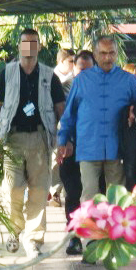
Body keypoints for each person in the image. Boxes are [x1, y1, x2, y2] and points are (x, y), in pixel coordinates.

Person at [0, 28, 66, 258]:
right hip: (12, 139)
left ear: (39, 46)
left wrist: (63, 139)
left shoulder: (49, 75)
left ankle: (33, 240)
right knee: (12, 189)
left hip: (40, 139)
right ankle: (14, 231)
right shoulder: (8, 73)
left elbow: (61, 110)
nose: (30, 46)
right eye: (25, 42)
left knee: (39, 191)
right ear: (20, 46)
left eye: (34, 42)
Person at [57, 36, 136, 203]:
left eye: (111, 53)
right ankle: (91, 229)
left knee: (117, 199)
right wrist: (63, 140)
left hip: (117, 148)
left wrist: (135, 113)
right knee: (89, 198)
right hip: (88, 147)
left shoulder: (129, 80)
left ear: (117, 54)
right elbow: (69, 114)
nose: (107, 58)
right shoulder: (81, 80)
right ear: (95, 55)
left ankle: (113, 230)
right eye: (103, 53)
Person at [60, 50, 95, 255]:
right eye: (81, 68)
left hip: (94, 150)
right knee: (73, 194)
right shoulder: (65, 88)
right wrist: (65, 141)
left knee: (92, 195)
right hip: (71, 150)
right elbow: (63, 116)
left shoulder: (100, 88)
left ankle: (93, 237)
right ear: (74, 68)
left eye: (88, 69)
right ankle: (74, 238)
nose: (84, 73)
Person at [49, 48, 76, 207]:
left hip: (70, 124)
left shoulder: (76, 78)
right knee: (55, 159)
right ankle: (55, 192)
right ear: (61, 61)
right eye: (70, 61)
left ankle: (67, 190)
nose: (73, 64)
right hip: (54, 125)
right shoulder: (50, 77)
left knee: (69, 157)